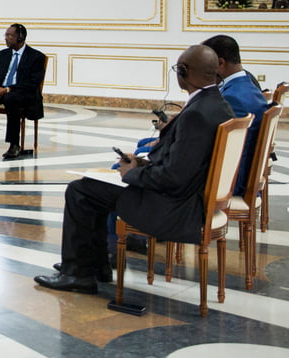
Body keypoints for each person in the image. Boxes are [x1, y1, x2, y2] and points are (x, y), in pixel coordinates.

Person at [35, 45, 234, 294]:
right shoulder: (218, 104)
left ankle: (78, 274)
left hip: (173, 207)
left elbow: (175, 176)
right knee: (90, 189)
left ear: (183, 72)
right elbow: (187, 163)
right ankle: (93, 266)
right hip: (188, 199)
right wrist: (142, 164)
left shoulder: (196, 113)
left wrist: (132, 174)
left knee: (80, 191)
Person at [202, 35, 269, 196]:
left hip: (232, 183)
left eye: (205, 65)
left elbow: (218, 147)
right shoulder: (245, 86)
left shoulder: (233, 98)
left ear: (220, 63)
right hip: (238, 174)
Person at [0, 24, 46, 160]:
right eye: (5, 35)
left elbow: (32, 84)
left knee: (10, 98)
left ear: (20, 38)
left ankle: (14, 145)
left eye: (9, 36)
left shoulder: (36, 57)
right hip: (2, 91)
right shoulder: (2, 55)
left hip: (25, 94)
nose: (6, 38)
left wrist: (7, 90)